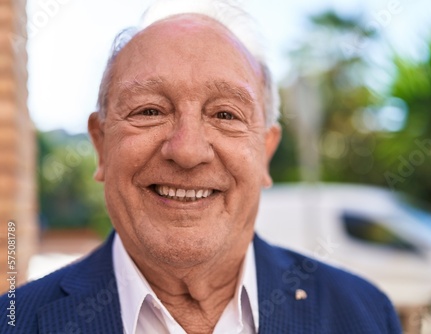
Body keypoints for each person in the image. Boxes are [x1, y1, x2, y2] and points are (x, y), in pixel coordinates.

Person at [0, 0, 402, 333]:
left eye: (225, 114)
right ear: (101, 145)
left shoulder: (364, 315)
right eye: (150, 110)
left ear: (265, 151)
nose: (188, 150)